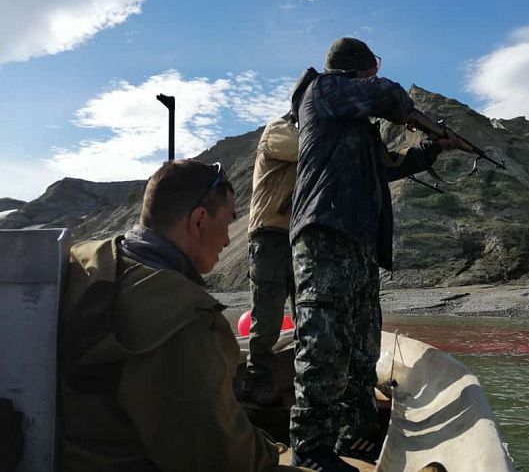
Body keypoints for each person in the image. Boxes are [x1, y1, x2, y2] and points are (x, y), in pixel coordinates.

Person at [58, 159, 305, 472]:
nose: (229, 240)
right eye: (228, 222)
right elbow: (222, 457)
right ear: (199, 221)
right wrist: (272, 451)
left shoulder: (81, 261)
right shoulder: (188, 319)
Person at [288, 37, 458, 471]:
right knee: (324, 342)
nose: (375, 75)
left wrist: (433, 146)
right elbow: (389, 95)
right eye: (372, 68)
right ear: (359, 69)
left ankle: (353, 430)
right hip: (325, 234)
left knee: (361, 344)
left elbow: (388, 166)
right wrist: (419, 119)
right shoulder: (324, 91)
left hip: (358, 242)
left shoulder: (352, 120)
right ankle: (311, 449)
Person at [241, 112, 299, 408]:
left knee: (304, 313)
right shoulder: (278, 130)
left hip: (295, 237)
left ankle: (303, 378)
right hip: (269, 235)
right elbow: (305, 147)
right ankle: (258, 381)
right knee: (267, 316)